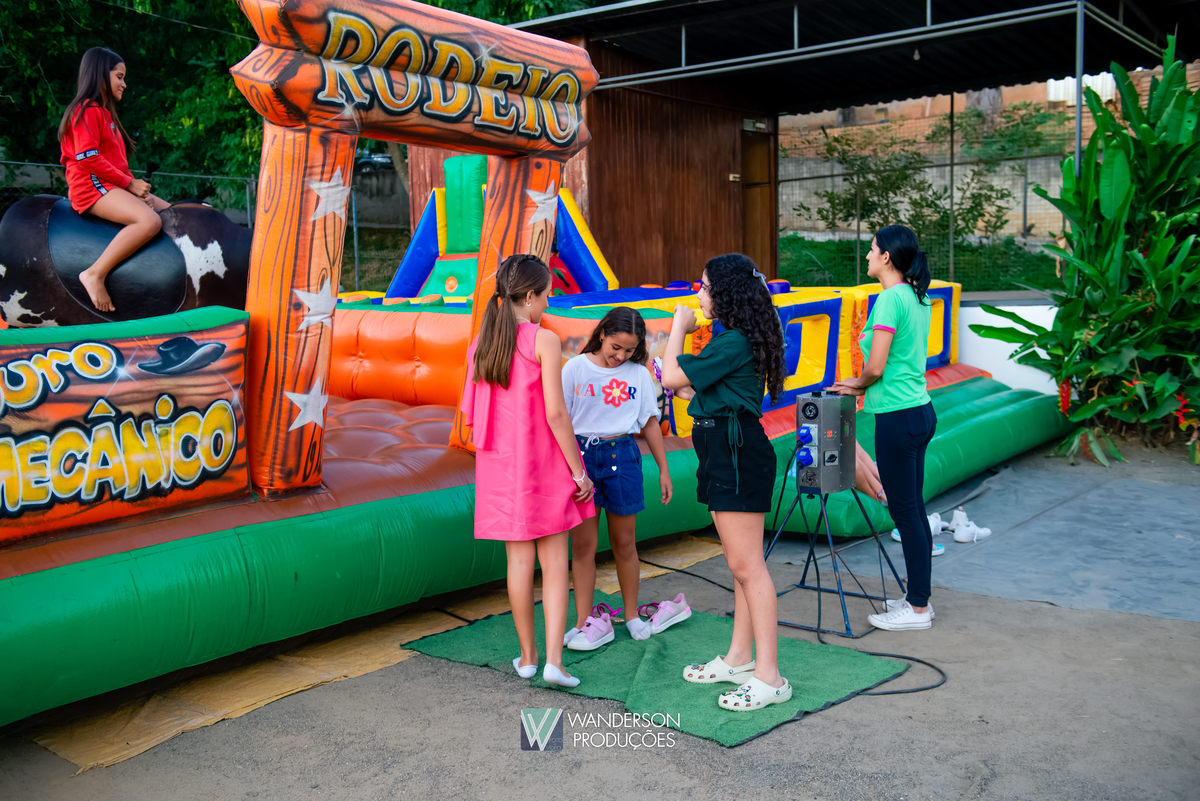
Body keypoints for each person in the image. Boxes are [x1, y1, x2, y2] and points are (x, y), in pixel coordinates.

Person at [660, 253, 793, 712]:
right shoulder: (731, 340)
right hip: (723, 452)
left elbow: (670, 377)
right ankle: (739, 658)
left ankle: (770, 677)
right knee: (740, 565)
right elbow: (689, 388)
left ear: (725, 292)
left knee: (748, 567)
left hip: (737, 455)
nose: (698, 294)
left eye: (703, 286)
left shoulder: (733, 341)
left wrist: (678, 326)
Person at [460, 254, 595, 687]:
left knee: (518, 563)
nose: (548, 302)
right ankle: (555, 661)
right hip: (544, 465)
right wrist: (579, 473)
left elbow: (471, 415)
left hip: (500, 470)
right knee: (555, 564)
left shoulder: (480, 344)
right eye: (547, 294)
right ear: (532, 295)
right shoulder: (544, 340)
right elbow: (556, 414)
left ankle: (528, 657)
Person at [829, 225, 936, 631]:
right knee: (914, 510)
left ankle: (919, 609)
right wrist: (858, 385)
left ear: (887, 257)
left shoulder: (891, 298)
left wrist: (853, 384)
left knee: (905, 512)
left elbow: (875, 367)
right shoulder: (917, 296)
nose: (868, 255)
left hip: (898, 417)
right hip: (919, 411)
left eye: (872, 249)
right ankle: (918, 598)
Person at [561, 307, 681, 651]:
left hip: (623, 457)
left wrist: (664, 470)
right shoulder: (574, 369)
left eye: (629, 350)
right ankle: (584, 622)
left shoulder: (638, 374)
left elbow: (650, 423)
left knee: (624, 542)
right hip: (582, 459)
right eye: (616, 347)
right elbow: (561, 420)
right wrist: (572, 470)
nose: (621, 356)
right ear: (602, 334)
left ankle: (631, 615)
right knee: (583, 546)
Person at [58, 47, 170, 313]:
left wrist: (136, 190)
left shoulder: (105, 114)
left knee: (172, 212)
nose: (124, 83)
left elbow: (116, 164)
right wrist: (129, 185)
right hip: (91, 187)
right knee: (149, 221)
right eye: (119, 77)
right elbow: (88, 158)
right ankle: (94, 274)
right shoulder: (86, 110)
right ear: (100, 75)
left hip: (110, 184)